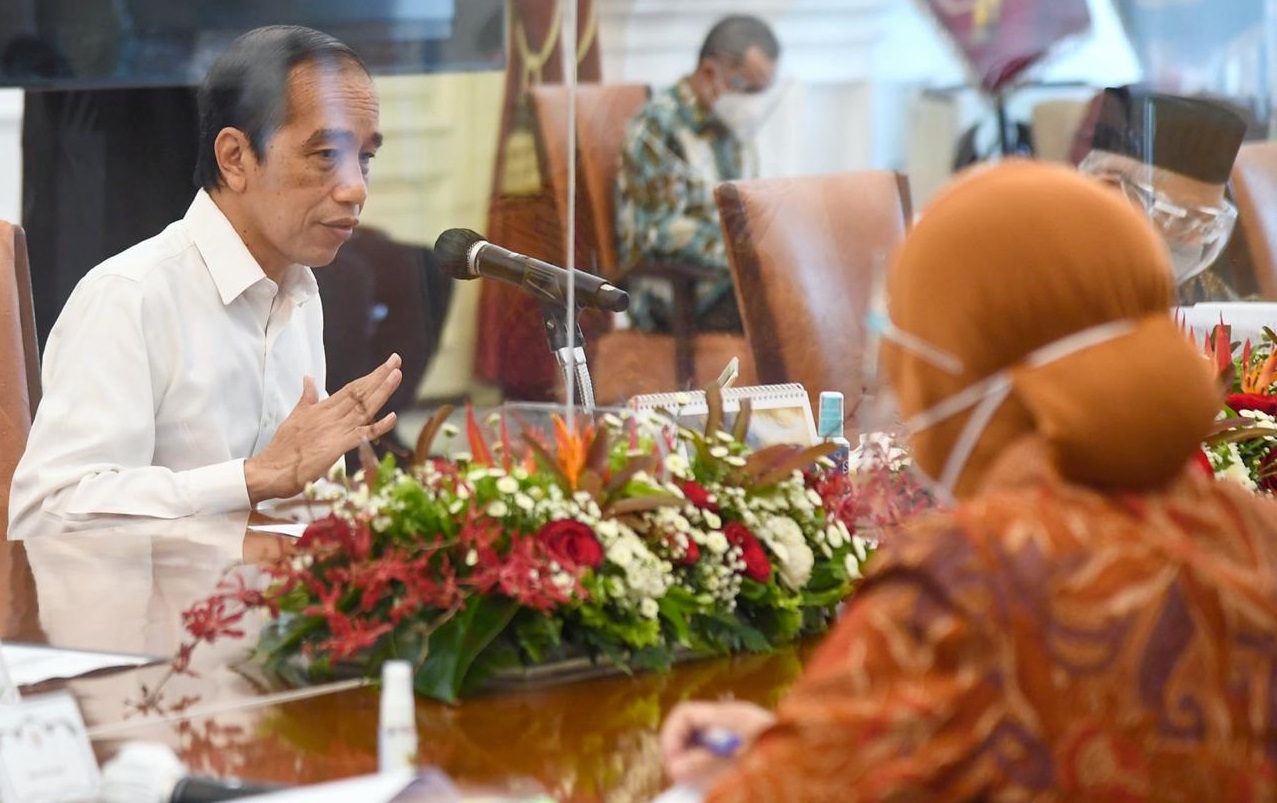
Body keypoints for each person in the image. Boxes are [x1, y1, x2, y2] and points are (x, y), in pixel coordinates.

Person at [659, 162, 1277, 800]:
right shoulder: (1253, 534)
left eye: (910, 346)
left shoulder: (970, 582)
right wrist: (811, 740)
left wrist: (767, 764)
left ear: (968, 370)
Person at [8, 25, 401, 540]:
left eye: (365, 158)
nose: (355, 188)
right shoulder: (131, 295)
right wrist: (253, 477)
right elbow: (45, 511)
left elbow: (290, 497)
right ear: (235, 158)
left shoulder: (301, 294)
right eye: (326, 154)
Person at [614, 15, 780, 334]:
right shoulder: (658, 128)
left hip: (728, 281)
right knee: (788, 306)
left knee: (816, 289)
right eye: (748, 88)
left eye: (763, 92)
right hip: (678, 294)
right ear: (709, 73)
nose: (754, 104)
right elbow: (658, 232)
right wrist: (746, 250)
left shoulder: (730, 125)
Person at [1073, 86, 1249, 304]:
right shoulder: (1047, 279)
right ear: (1110, 193)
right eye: (1184, 219)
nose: (1195, 243)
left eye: (1205, 227)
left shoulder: (1194, 288)